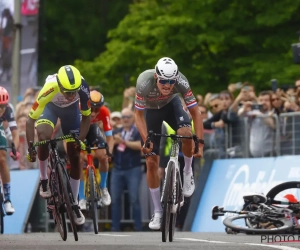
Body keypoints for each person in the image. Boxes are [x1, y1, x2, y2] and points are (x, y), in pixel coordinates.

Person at [134, 57, 204, 230]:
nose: (167, 85)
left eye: (171, 81)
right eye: (163, 81)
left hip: (171, 105)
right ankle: (158, 212)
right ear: (156, 77)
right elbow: (138, 116)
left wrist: (200, 143)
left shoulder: (181, 81)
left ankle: (188, 172)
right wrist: (146, 139)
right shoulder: (144, 82)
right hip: (151, 111)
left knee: (186, 133)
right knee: (151, 162)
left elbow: (196, 113)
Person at [26, 65, 91, 225]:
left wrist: (80, 140)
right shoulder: (49, 88)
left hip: (71, 112)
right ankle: (44, 180)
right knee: (44, 137)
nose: (70, 95)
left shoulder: (83, 87)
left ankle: (74, 202)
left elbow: (86, 116)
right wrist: (30, 147)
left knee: (75, 155)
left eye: (73, 92)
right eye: (67, 92)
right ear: (59, 86)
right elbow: (30, 120)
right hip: (50, 109)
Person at [78, 90, 113, 210]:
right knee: (77, 161)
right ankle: (81, 197)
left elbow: (109, 136)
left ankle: (103, 188)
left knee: (103, 156)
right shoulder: (77, 109)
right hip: (77, 129)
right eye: (91, 108)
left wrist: (110, 152)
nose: (93, 113)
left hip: (92, 129)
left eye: (97, 110)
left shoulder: (104, 112)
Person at [111, 107, 143, 232]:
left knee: (134, 198)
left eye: (128, 117)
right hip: (117, 169)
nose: (125, 119)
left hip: (133, 168)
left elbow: (140, 146)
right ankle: (115, 228)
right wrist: (114, 141)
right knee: (115, 199)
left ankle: (138, 227)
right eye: (123, 117)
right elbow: (107, 146)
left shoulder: (138, 131)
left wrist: (123, 141)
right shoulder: (116, 131)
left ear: (133, 118)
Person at [0, 86, 20, 215]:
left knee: (2, 158)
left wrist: (14, 149)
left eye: (3, 107)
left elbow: (15, 133)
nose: (1, 110)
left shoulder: (9, 109)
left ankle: (7, 199)